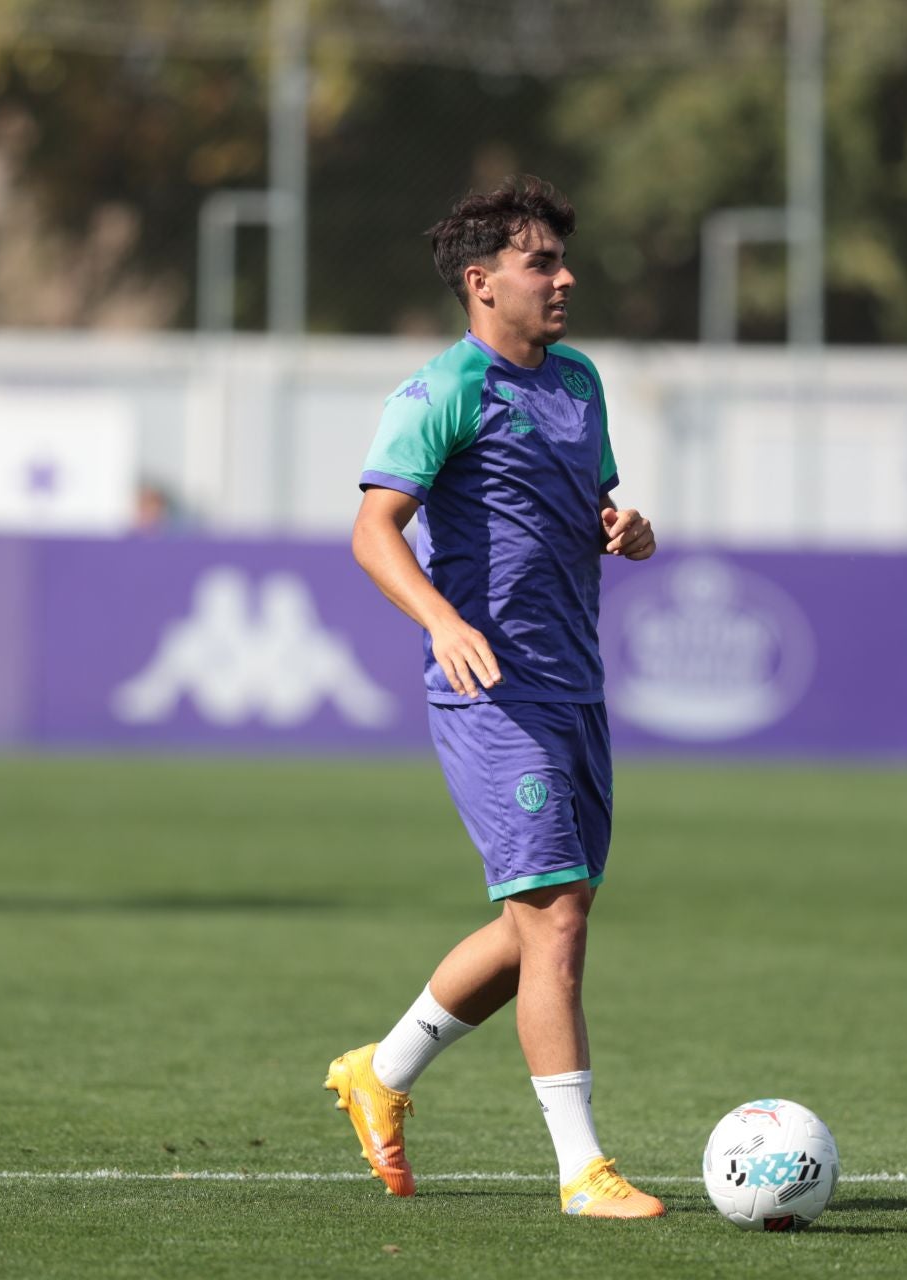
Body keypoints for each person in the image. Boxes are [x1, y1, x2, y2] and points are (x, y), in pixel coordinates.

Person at [326, 176, 664, 1218]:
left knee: (541, 923)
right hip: (492, 695)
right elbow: (373, 529)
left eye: (562, 261)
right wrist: (442, 620)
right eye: (540, 263)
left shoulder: (580, 381)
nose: (564, 280)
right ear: (481, 282)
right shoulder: (442, 390)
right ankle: (582, 1170)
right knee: (554, 917)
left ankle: (380, 1071)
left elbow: (589, 502)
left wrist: (625, 528)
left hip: (575, 686)